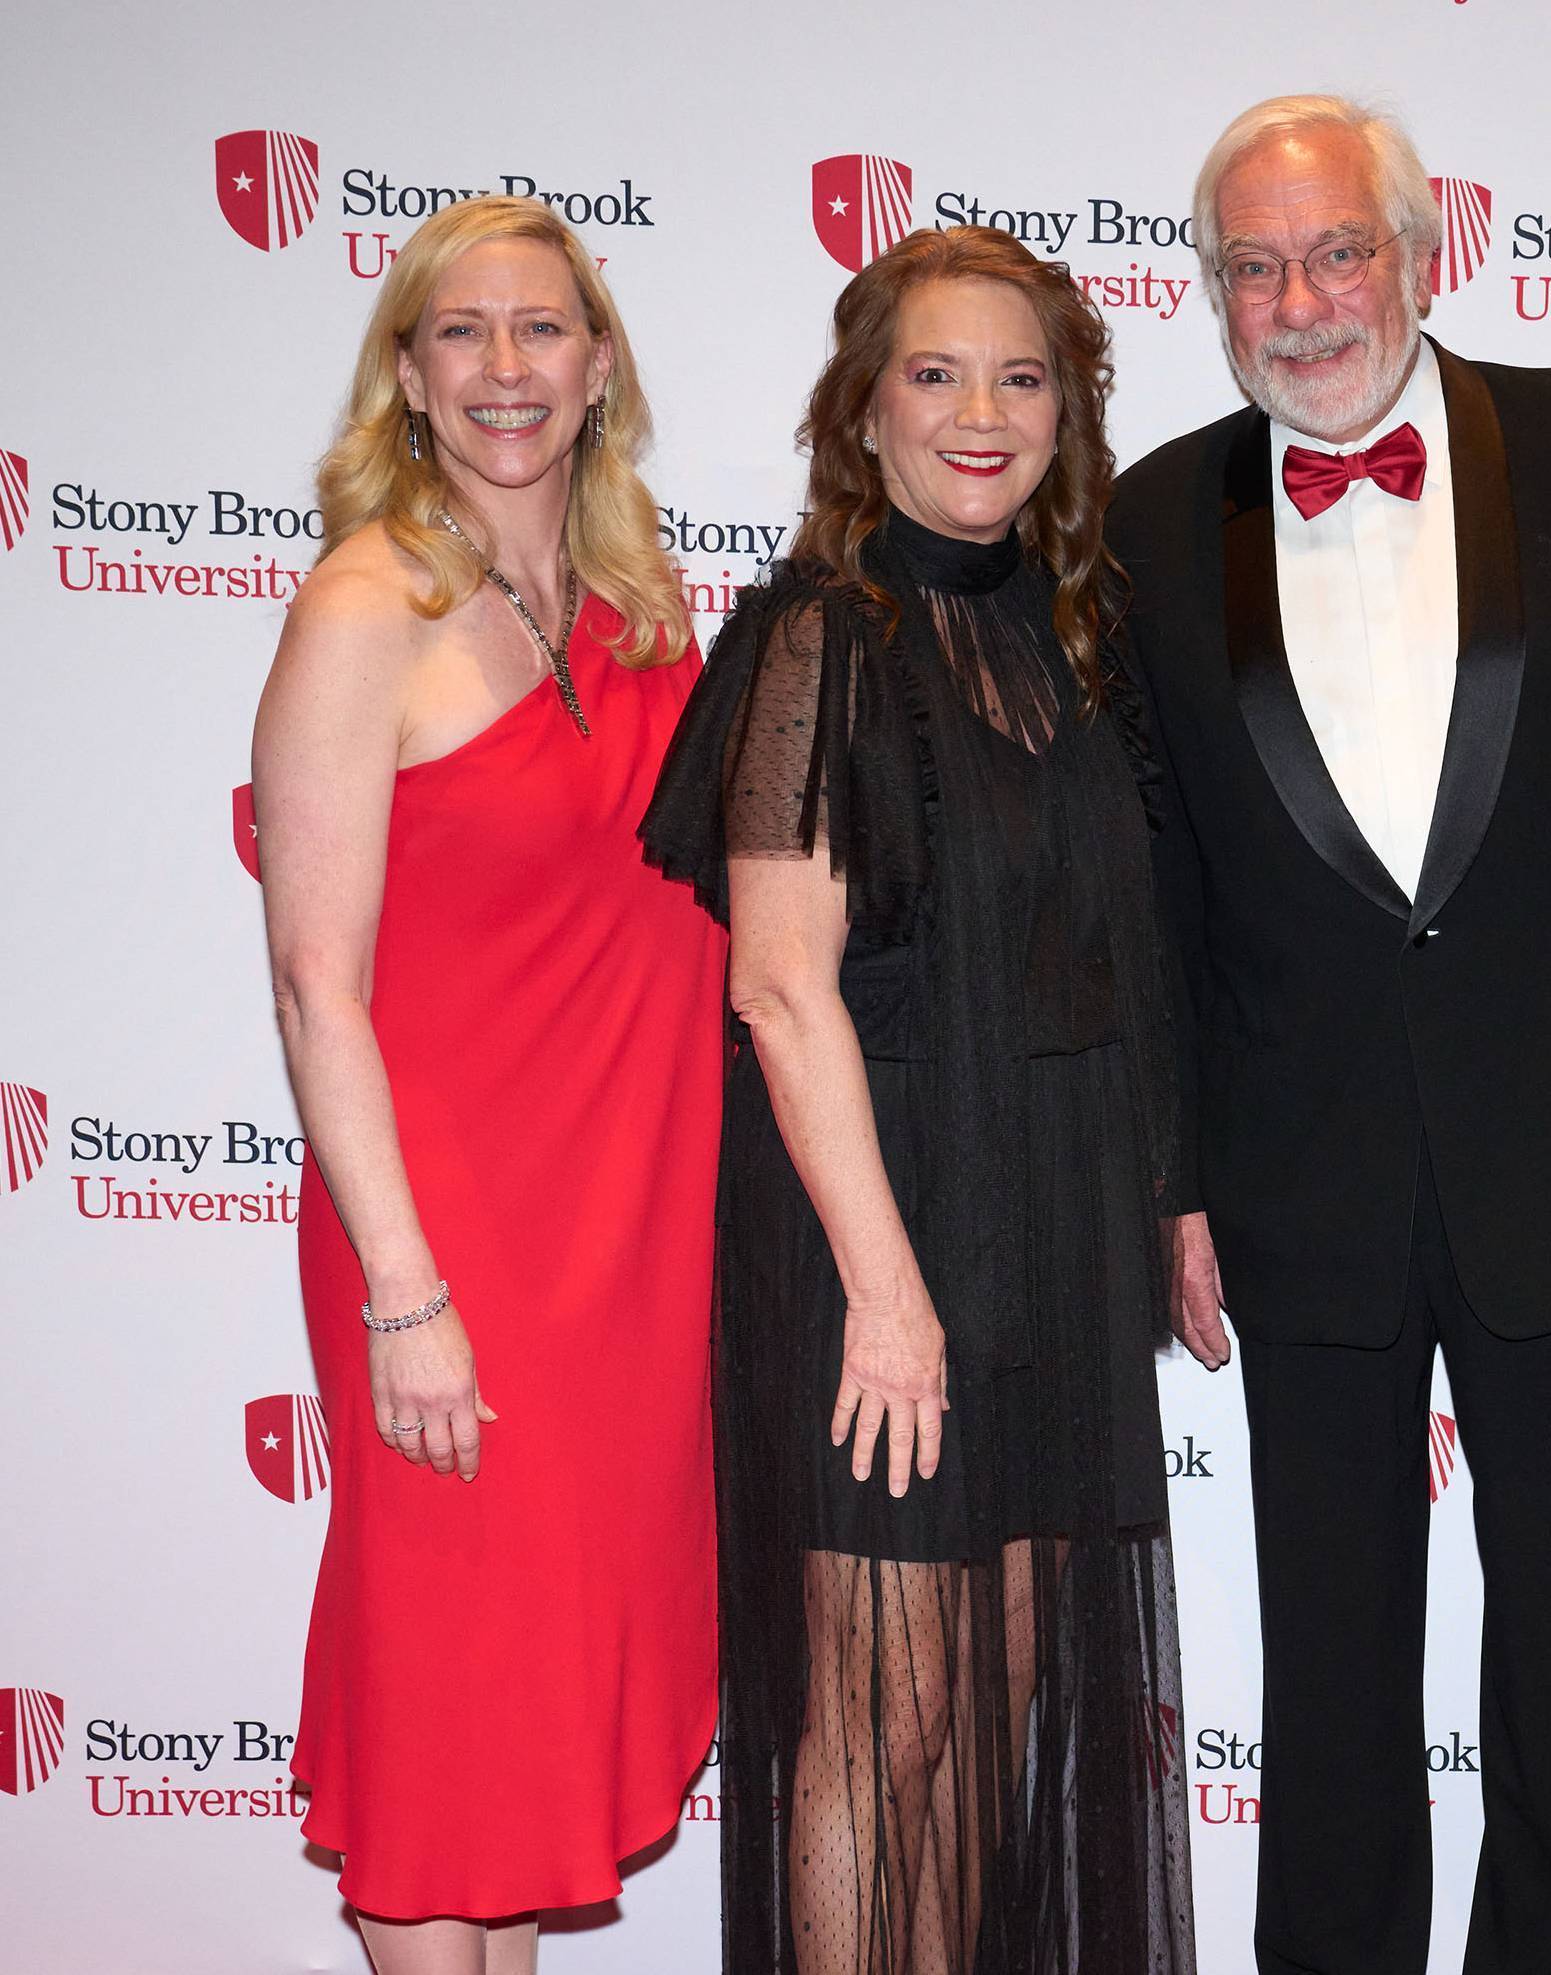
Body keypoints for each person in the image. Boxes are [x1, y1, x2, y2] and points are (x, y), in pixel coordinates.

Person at [1105, 93, 1551, 1975]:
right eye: (1253, 265)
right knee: (1331, 1665)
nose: (1301, 300)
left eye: (1339, 251)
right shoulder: (1149, 516)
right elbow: (1157, 880)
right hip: (1294, 1179)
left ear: (1424, 253)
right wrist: (1172, 1177)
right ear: (1213, 296)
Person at [639, 226, 1194, 1975]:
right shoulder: (823, 636)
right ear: (862, 415)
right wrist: (887, 1300)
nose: (981, 412)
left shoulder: (1063, 652)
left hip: (1051, 1240)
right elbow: (781, 989)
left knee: (999, 1708)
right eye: (936, 374)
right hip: (880, 1239)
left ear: (1066, 418)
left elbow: (1115, 966)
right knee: (887, 1722)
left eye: (1021, 377)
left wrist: (1167, 1203)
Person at [253, 196, 719, 1972]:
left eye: (542, 331)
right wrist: (404, 1295)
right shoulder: (367, 605)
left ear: (600, 368)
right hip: (448, 1250)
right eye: (463, 333)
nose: (505, 369)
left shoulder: (647, 607)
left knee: (524, 1728)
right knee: (446, 1720)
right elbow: (313, 984)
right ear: (410, 373)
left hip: (626, 1257)